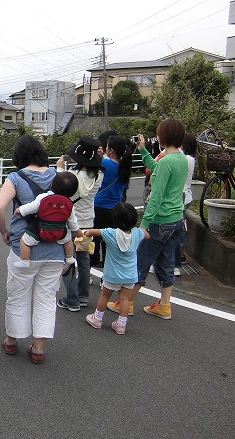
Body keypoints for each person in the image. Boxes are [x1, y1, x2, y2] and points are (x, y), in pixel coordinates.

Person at [0, 135, 66, 364]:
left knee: (18, 295)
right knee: (46, 298)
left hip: (23, 247)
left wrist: (5, 231)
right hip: (55, 249)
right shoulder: (58, 176)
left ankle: (12, 341)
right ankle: (38, 349)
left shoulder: (15, 177)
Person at [108, 119, 188, 320]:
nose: (157, 136)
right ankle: (165, 306)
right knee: (165, 263)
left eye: (159, 133)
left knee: (140, 263)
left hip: (160, 222)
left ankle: (128, 303)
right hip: (177, 219)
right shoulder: (181, 158)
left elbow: (156, 198)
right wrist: (143, 150)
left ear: (164, 136)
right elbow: (156, 167)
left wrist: (143, 225)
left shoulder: (167, 161)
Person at [55, 136, 104, 312]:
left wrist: (60, 170)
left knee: (67, 261)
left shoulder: (72, 176)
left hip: (71, 225)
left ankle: (71, 299)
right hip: (88, 224)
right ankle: (83, 296)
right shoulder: (99, 175)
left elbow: (63, 188)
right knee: (83, 260)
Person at [84, 204, 149, 334]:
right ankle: (121, 325)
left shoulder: (110, 233)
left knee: (105, 296)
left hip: (112, 274)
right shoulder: (137, 233)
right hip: (130, 275)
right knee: (124, 299)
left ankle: (97, 318)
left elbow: (92, 232)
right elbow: (147, 236)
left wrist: (86, 232)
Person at [14, 171, 81, 273]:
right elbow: (72, 222)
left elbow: (31, 207)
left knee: (25, 241)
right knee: (68, 240)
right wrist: (77, 231)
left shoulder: (44, 197)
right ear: (72, 192)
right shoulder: (69, 204)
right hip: (60, 231)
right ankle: (69, 257)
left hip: (41, 229)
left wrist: (20, 210)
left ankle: (24, 260)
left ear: (52, 184)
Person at [91, 134, 132, 268]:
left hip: (100, 206)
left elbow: (94, 164)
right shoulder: (124, 166)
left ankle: (92, 263)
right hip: (116, 209)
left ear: (111, 150)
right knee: (109, 240)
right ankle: (107, 272)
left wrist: (99, 155)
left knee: (95, 239)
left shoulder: (106, 163)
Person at [174, 133, 197, 275]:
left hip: (182, 198)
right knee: (180, 227)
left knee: (177, 229)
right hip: (184, 197)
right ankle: (180, 256)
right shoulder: (190, 158)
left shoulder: (187, 159)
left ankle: (178, 258)